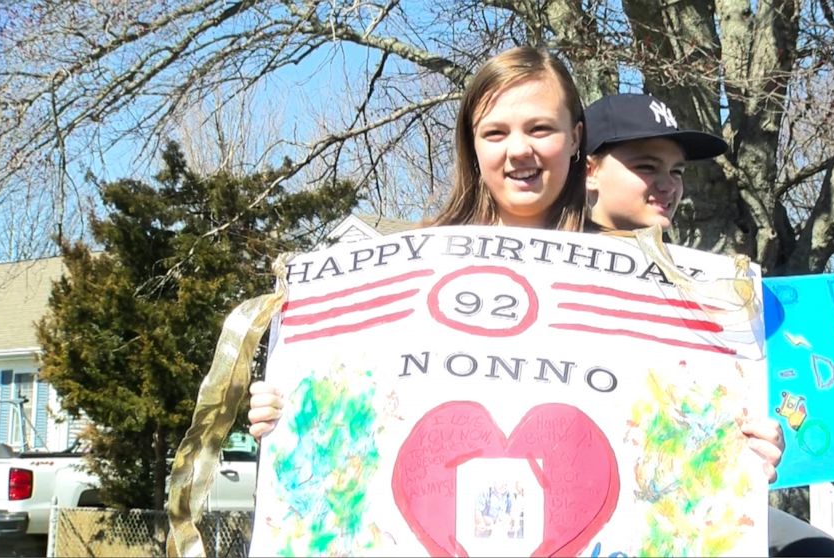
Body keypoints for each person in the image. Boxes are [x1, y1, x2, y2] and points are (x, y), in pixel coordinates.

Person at [248, 44, 784, 520]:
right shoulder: (403, 268)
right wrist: (290, 409)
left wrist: (743, 446)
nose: (519, 150)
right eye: (496, 132)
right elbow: (357, 414)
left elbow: (676, 432)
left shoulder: (653, 288)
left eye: (540, 129)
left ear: (576, 140)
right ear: (473, 146)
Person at [583, 92, 834, 556]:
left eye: (678, 172)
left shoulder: (717, 287)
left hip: (690, 495)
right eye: (646, 167)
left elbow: (779, 395)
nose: (667, 185)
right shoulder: (543, 260)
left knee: (815, 551)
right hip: (587, 491)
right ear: (589, 167)